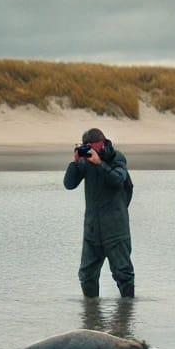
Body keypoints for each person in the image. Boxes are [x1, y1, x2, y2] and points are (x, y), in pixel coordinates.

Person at [63, 127, 134, 298]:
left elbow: (118, 180)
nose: (91, 151)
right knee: (86, 275)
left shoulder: (117, 157)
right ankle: (91, 315)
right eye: (87, 148)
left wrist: (99, 164)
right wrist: (75, 162)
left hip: (116, 228)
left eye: (93, 147)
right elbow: (69, 184)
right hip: (93, 228)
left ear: (101, 143)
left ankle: (126, 315)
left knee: (123, 274)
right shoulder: (85, 161)